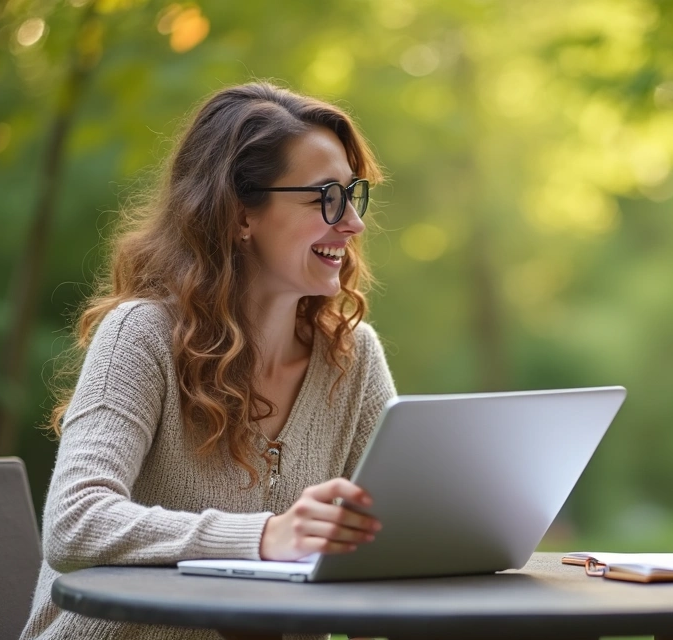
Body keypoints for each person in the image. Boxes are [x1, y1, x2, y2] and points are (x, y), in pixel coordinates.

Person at [21, 82, 396, 640]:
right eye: (325, 197)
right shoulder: (140, 335)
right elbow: (74, 524)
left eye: (352, 194)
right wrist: (265, 536)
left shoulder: (353, 355)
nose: (353, 223)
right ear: (240, 214)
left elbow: (391, 536)